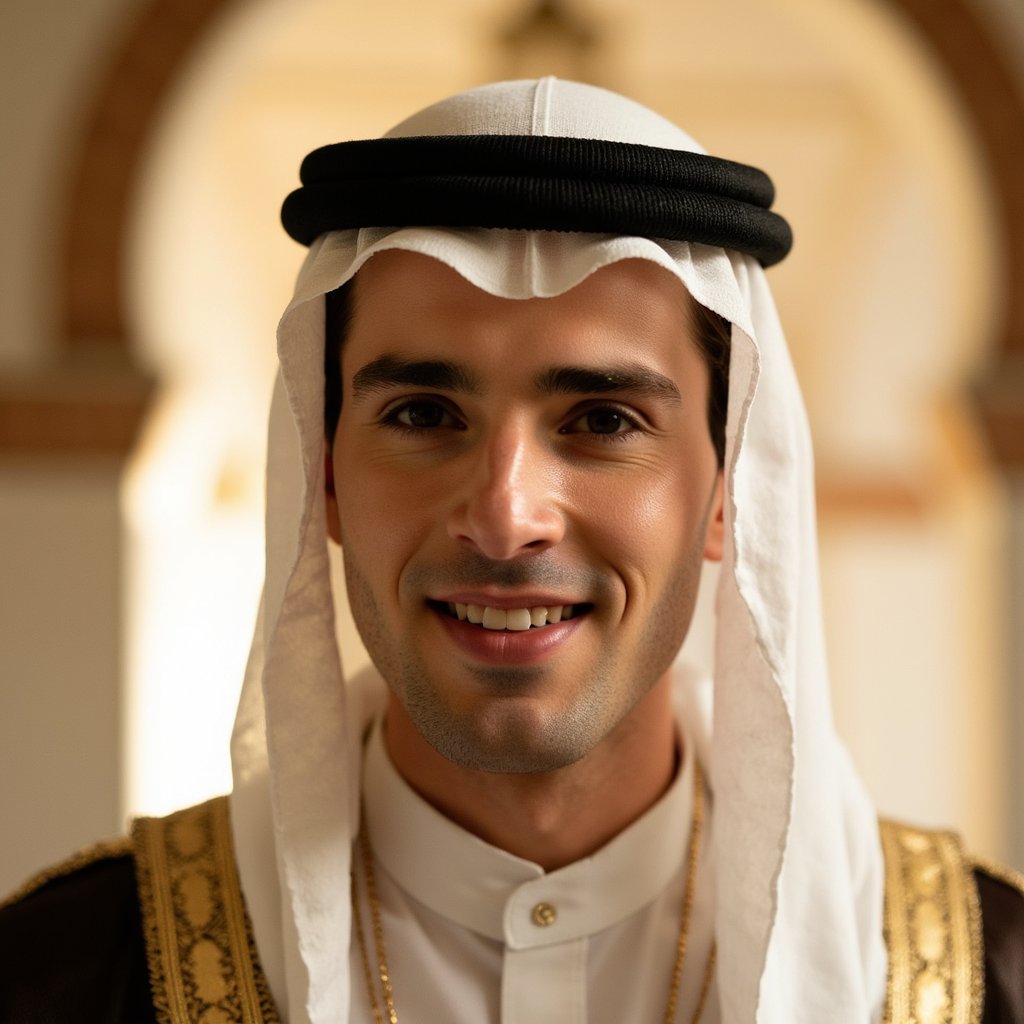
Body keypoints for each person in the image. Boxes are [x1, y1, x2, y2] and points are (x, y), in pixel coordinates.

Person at [2, 76, 1023, 1024]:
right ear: (323, 477)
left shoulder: (983, 978)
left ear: (729, 495)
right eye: (421, 412)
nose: (503, 516)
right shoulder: (67, 973)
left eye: (604, 420)